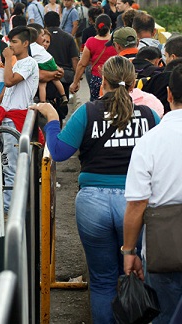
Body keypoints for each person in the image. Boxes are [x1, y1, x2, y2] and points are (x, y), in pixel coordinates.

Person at [32, 56, 159, 324]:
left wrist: (53, 119)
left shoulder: (87, 112)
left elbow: (59, 152)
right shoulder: (149, 116)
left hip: (92, 204)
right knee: (135, 272)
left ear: (103, 82)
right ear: (134, 83)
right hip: (136, 204)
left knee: (102, 281)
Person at [123, 65, 182, 324]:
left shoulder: (150, 141)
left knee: (165, 315)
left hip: (164, 247)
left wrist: (129, 252)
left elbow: (137, 205)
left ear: (168, 94)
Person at [0, 26, 39, 213]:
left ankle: (9, 210)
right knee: (10, 165)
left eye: (14, 42)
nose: (11, 46)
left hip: (17, 120)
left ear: (25, 43)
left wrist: (6, 59)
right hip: (10, 118)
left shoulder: (28, 63)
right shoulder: (18, 63)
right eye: (9, 42)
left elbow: (8, 81)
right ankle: (13, 206)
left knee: (12, 167)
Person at [70, 14, 117, 101]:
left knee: (96, 105)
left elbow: (82, 64)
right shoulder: (116, 42)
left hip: (97, 79)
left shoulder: (91, 42)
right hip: (114, 79)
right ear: (110, 26)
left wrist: (75, 82)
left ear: (96, 27)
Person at [44, 11, 78, 121]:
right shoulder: (68, 37)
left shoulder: (42, 38)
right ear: (59, 22)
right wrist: (77, 79)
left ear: (45, 23)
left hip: (46, 76)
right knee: (62, 105)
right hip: (65, 76)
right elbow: (74, 59)